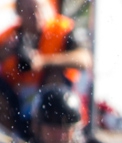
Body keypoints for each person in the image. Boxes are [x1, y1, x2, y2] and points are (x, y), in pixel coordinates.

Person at [0, 0, 92, 133]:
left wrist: (43, 61)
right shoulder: (9, 37)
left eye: (40, 9)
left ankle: (53, 137)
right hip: (18, 106)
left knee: (53, 76)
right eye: (30, 11)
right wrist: (3, 53)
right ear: (19, 12)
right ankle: (14, 140)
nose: (36, 15)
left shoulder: (61, 30)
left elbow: (85, 59)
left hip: (55, 110)